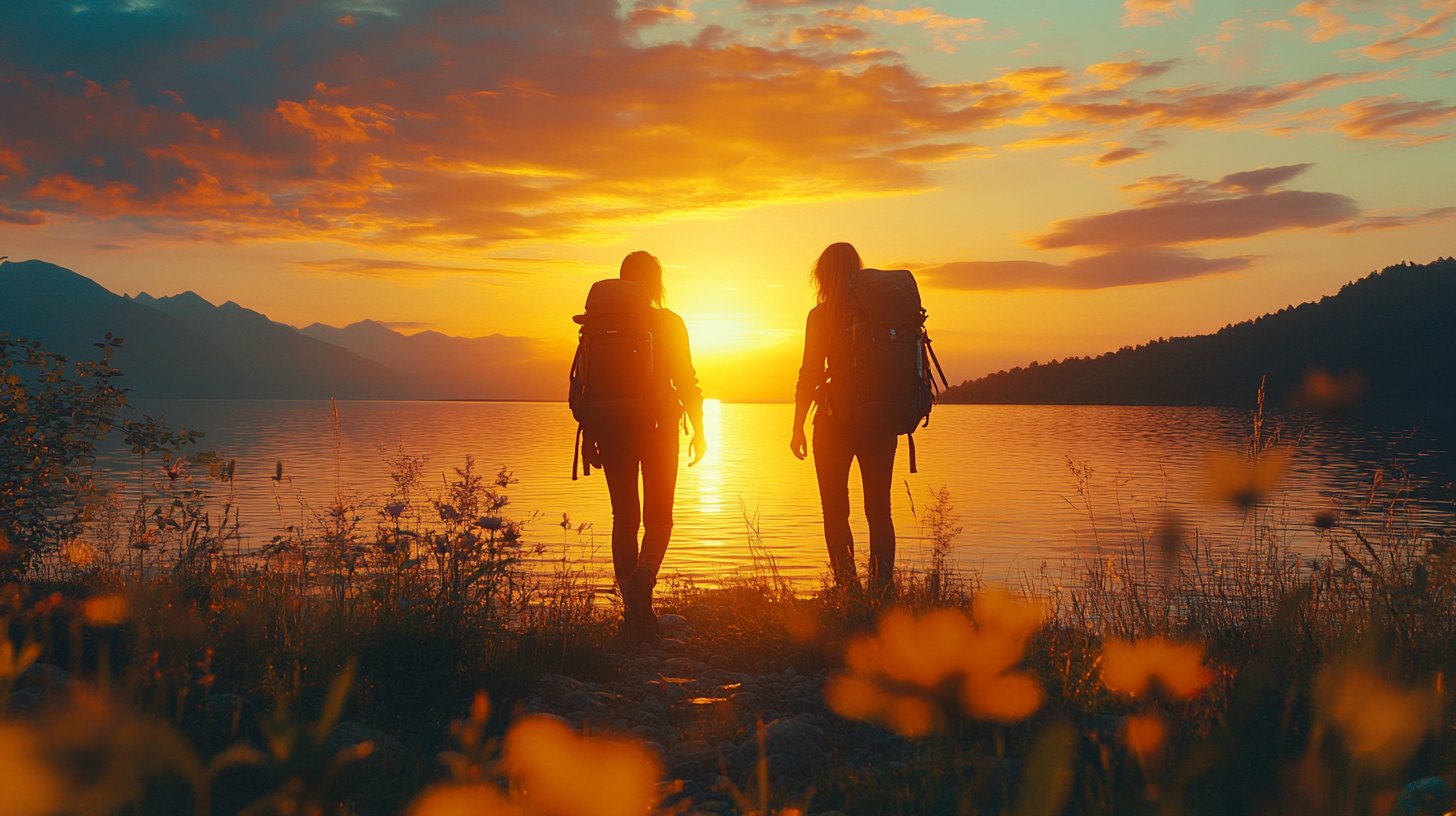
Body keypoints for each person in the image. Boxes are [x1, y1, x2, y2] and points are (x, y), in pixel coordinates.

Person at [587, 251, 706, 636]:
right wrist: (700, 428)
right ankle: (645, 578)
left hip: (610, 427)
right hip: (658, 426)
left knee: (624, 518)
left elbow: (587, 384)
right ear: (655, 284)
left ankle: (631, 612)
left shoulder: (598, 326)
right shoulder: (669, 322)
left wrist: (591, 433)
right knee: (659, 517)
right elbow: (686, 379)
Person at [790, 242, 898, 598]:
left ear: (822, 275)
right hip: (880, 421)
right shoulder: (883, 315)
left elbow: (809, 372)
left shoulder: (821, 316)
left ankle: (847, 591)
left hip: (834, 424)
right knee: (879, 511)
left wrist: (797, 426)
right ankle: (882, 591)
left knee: (835, 511)